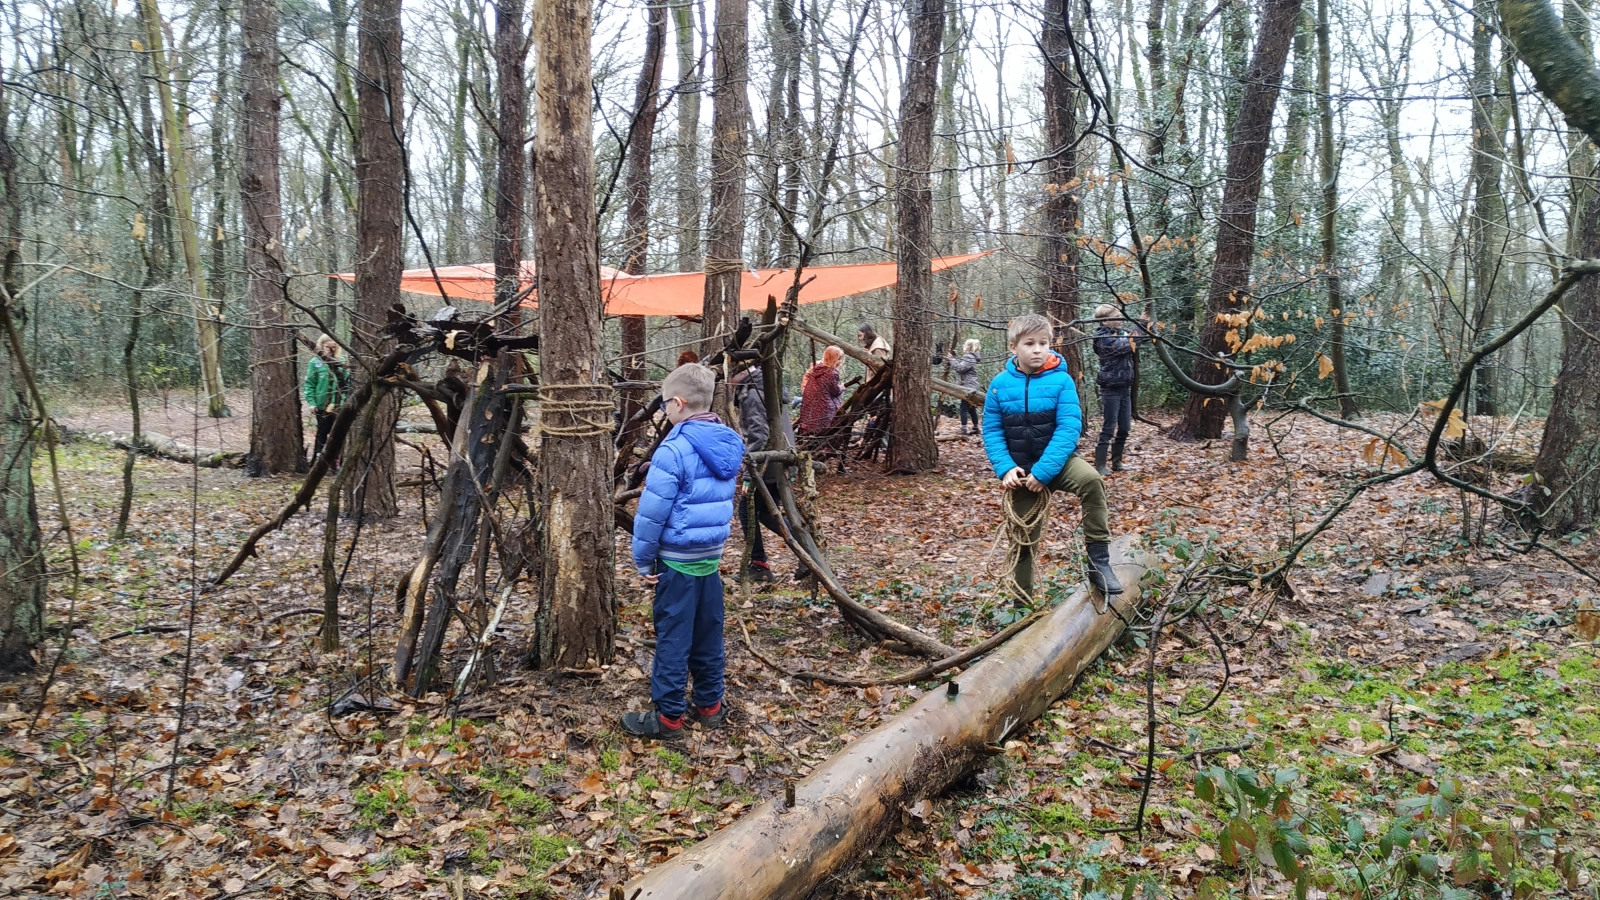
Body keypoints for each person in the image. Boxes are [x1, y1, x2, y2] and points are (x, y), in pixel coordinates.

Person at [626, 364, 746, 741]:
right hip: (710, 560)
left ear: (678, 403)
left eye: (664, 406)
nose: (664, 412)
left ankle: (668, 719)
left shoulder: (673, 450)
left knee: (673, 638)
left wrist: (643, 559)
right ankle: (710, 706)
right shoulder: (727, 444)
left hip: (676, 563)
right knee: (708, 634)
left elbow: (651, 513)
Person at [982, 313, 1121, 602]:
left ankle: (1099, 563)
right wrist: (1005, 467)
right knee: (1022, 537)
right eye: (1029, 343)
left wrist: (1045, 471)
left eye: (1043, 343)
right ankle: (1022, 603)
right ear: (1013, 348)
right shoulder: (998, 385)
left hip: (1058, 463)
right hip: (1020, 471)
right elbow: (992, 430)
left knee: (1092, 481)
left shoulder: (1061, 381)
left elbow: (1070, 427)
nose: (1037, 349)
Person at [733, 366, 797, 584]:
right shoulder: (766, 386)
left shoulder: (753, 393)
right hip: (777, 462)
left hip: (768, 465)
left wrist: (748, 474)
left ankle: (759, 564)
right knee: (766, 513)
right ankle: (805, 550)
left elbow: (759, 436)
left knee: (747, 510)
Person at [1091, 304, 1148, 475]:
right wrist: (1142, 325)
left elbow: (1135, 339)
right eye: (1117, 315)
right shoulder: (1102, 338)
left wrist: (1143, 324)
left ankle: (1117, 462)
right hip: (1110, 389)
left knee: (1124, 427)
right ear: (1106, 320)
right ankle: (1100, 466)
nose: (1120, 318)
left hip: (1125, 387)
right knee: (1109, 428)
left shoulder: (1121, 334)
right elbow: (1128, 345)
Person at [304, 334, 348, 466]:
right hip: (322, 405)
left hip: (339, 405)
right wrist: (311, 403)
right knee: (322, 431)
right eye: (326, 346)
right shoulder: (315, 363)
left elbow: (347, 384)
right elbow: (310, 384)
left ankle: (336, 461)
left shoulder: (343, 361)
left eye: (332, 346)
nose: (329, 349)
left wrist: (344, 401)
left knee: (338, 434)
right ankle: (318, 460)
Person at [798, 345, 845, 435]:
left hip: (812, 407)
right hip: (824, 408)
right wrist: (842, 387)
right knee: (834, 421)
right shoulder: (831, 373)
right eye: (838, 359)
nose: (839, 362)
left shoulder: (817, 369)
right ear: (833, 358)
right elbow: (835, 391)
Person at [948, 338, 982, 436]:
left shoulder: (969, 357)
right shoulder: (970, 357)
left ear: (969, 347)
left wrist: (951, 359)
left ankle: (963, 429)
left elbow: (960, 368)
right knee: (971, 408)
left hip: (968, 387)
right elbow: (962, 364)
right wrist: (954, 357)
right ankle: (975, 427)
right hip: (970, 386)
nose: (964, 346)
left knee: (963, 408)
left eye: (966, 345)